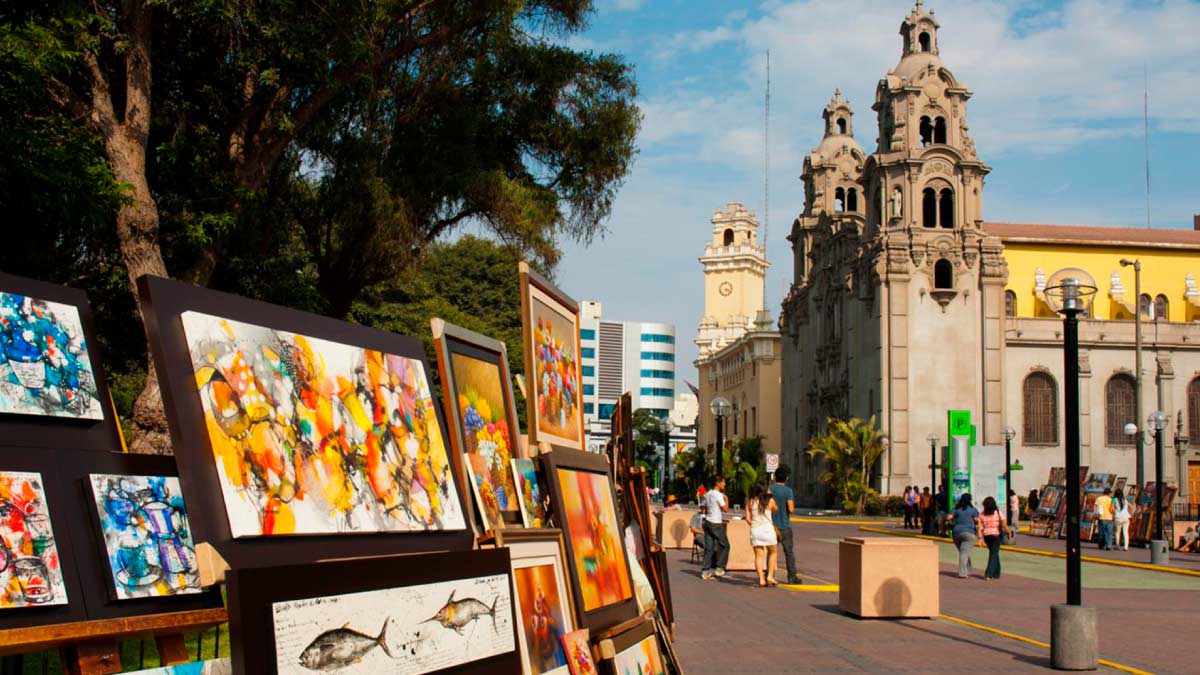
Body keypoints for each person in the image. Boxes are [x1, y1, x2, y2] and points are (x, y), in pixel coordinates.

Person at [771, 464, 801, 584]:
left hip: (771, 525)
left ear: (775, 477)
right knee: (788, 552)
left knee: (771, 552)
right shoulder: (788, 491)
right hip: (784, 525)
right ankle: (792, 577)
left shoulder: (770, 489)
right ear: (786, 478)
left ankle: (769, 574)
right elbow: (791, 508)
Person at [747, 481, 779, 587]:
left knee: (758, 556)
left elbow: (748, 519)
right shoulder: (770, 501)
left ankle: (761, 579)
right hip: (768, 530)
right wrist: (770, 495)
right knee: (773, 552)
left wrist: (755, 524)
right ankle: (769, 576)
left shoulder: (750, 501)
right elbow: (776, 509)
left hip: (755, 530)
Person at [700, 476, 729, 580]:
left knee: (709, 547)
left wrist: (708, 512)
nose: (724, 484)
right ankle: (720, 568)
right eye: (723, 482)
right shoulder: (718, 495)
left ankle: (705, 571)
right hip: (716, 523)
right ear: (717, 483)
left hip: (707, 522)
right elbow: (725, 509)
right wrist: (726, 499)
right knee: (725, 545)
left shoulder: (707, 494)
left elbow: (702, 507)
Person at [978, 496, 1013, 580]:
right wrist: (1009, 532)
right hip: (996, 535)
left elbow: (979, 527)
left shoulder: (982, 514)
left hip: (987, 536)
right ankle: (989, 574)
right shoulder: (998, 512)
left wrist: (980, 538)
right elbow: (1004, 524)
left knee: (994, 553)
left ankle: (996, 573)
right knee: (993, 554)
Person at [950, 493, 980, 578]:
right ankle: (962, 573)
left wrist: (952, 522)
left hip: (956, 533)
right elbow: (977, 519)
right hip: (969, 533)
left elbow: (949, 517)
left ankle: (968, 570)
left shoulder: (956, 509)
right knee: (964, 552)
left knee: (963, 551)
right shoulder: (972, 509)